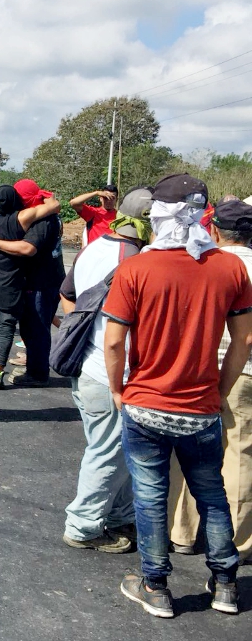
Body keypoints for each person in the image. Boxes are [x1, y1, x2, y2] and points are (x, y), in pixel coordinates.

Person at [104, 173, 250, 618]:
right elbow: (243, 342)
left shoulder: (137, 268)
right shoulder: (230, 267)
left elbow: (113, 343)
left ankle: (156, 586)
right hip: (201, 406)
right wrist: (219, 392)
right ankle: (225, 583)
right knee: (212, 493)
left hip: (146, 403)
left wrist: (117, 390)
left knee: (150, 495)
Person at [59, 187, 153, 554]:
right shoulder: (137, 261)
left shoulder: (93, 247)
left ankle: (118, 516)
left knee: (115, 451)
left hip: (87, 365)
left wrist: (83, 333)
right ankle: (82, 527)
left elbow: (66, 296)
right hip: (110, 370)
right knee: (108, 451)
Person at [169, 198, 252, 567]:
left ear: (214, 229)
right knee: (240, 455)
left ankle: (181, 532)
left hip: (201, 367)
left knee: (190, 451)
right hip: (247, 373)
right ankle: (233, 544)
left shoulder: (205, 264)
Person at [0, 187, 61, 388]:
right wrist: (47, 198)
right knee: (8, 330)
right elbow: (55, 205)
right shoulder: (24, 218)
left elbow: (28, 248)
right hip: (13, 286)